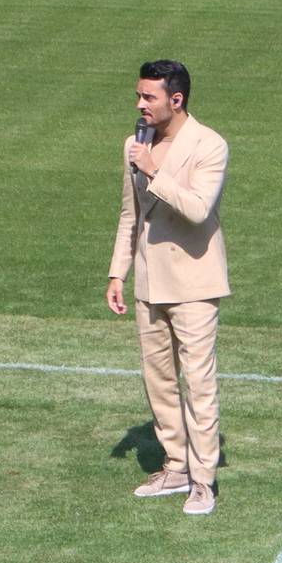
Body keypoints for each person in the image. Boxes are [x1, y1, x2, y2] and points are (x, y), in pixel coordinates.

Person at [106, 59, 229, 518]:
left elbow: (198, 208)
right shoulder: (134, 144)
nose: (139, 105)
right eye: (139, 96)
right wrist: (118, 272)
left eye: (148, 97)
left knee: (198, 384)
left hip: (195, 282)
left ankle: (203, 479)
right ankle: (175, 466)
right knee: (158, 380)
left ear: (175, 100)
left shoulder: (209, 145)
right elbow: (129, 214)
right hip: (148, 281)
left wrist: (155, 170)